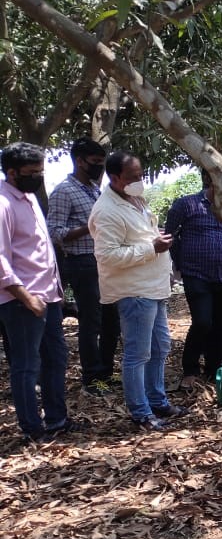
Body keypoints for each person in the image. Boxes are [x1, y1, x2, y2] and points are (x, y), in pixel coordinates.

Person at [89, 151, 187, 431]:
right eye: (132, 177)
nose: (139, 181)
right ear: (115, 177)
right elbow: (107, 255)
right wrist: (151, 248)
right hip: (133, 291)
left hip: (153, 286)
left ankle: (157, 399)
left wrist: (158, 242)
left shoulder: (134, 199)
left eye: (140, 175)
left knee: (160, 346)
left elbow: (140, 235)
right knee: (137, 353)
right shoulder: (106, 211)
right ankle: (141, 412)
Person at [0, 142, 74, 442]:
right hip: (22, 301)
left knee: (56, 358)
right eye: (32, 172)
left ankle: (58, 419)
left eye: (41, 171)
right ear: (13, 171)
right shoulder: (3, 203)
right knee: (26, 366)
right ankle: (32, 428)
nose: (38, 177)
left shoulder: (29, 198)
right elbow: (1, 258)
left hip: (49, 297)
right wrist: (26, 297)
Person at [166, 170, 222, 389]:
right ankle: (189, 368)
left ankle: (213, 367)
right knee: (202, 322)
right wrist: (180, 264)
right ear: (212, 185)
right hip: (196, 273)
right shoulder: (187, 205)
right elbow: (169, 236)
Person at [46, 137, 120, 395]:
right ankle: (92, 379)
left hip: (105, 262)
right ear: (79, 161)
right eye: (95, 162)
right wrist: (87, 228)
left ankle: (107, 374)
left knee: (112, 321)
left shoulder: (93, 189)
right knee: (92, 323)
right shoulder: (64, 191)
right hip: (83, 263)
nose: (99, 167)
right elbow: (54, 231)